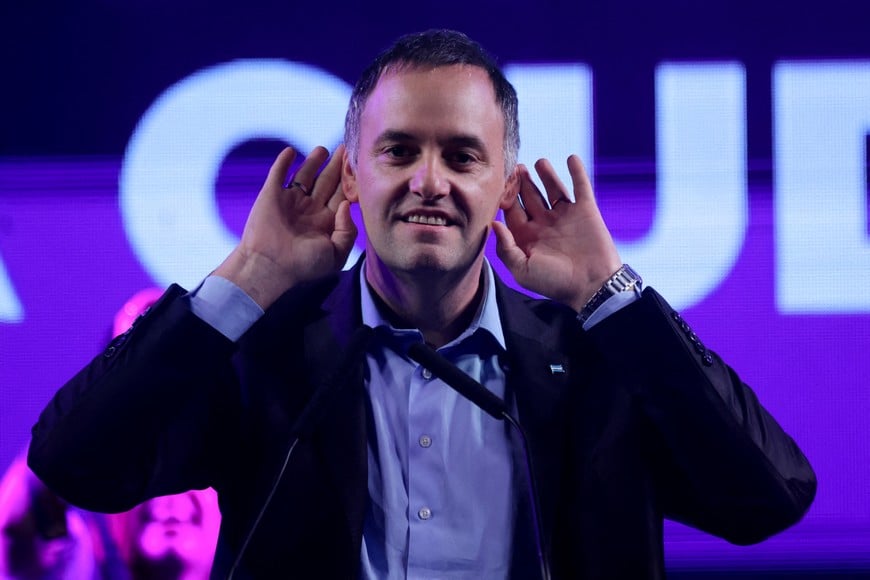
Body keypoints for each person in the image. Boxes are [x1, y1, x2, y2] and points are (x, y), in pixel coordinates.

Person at [27, 29, 816, 579]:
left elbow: (767, 499)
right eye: (398, 150)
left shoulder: (594, 367)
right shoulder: (271, 359)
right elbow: (74, 461)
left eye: (462, 156)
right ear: (353, 180)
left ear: (505, 188)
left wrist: (612, 294)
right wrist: (249, 277)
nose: (428, 181)